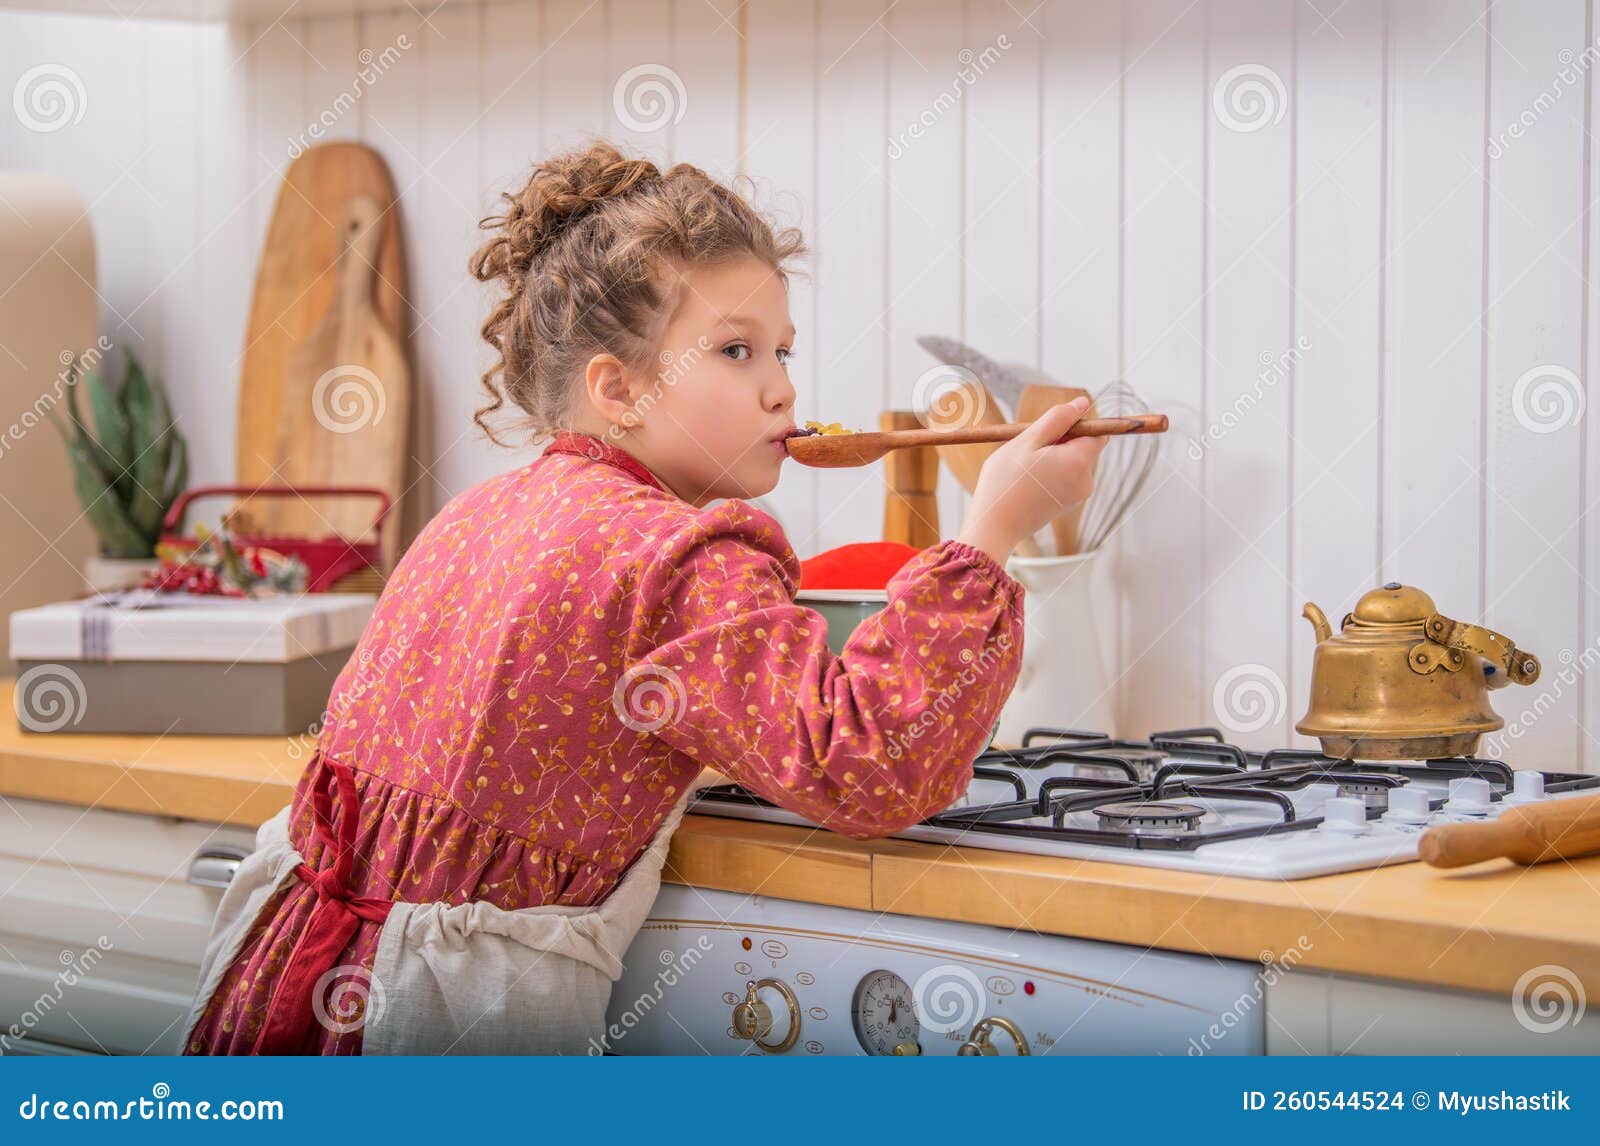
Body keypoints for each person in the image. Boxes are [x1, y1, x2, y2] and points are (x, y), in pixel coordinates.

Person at [182, 138, 1103, 1055]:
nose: (783, 387)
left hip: (280, 985)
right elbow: (863, 757)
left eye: (782, 350)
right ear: (618, 389)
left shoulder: (474, 516)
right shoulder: (681, 553)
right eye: (736, 351)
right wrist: (990, 533)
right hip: (438, 1024)